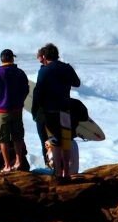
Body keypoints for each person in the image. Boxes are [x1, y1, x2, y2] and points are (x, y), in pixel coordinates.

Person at [31, 43, 81, 179]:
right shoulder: (67, 68)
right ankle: (66, 172)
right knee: (66, 140)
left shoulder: (45, 70)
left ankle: (58, 171)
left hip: (50, 112)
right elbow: (77, 83)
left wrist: (36, 110)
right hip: (65, 109)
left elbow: (38, 91)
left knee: (55, 142)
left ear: (45, 56)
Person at [0, 48, 30, 172]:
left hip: (2, 111)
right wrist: (20, 103)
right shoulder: (20, 73)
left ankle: (7, 165)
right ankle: (19, 162)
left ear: (2, 60)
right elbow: (26, 90)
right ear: (12, 58)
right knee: (18, 137)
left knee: (3, 139)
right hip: (17, 110)